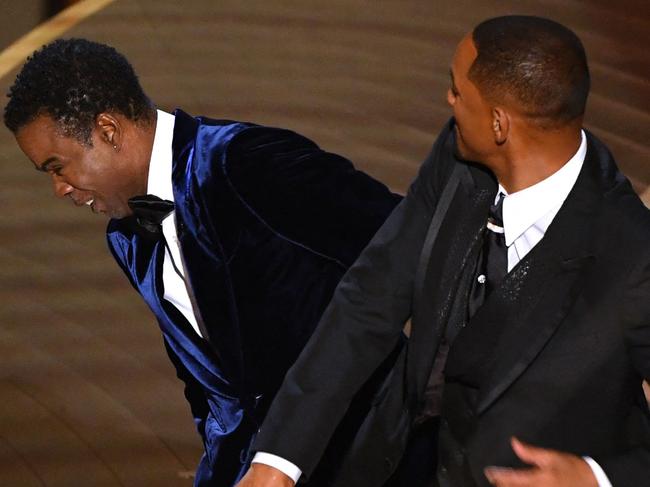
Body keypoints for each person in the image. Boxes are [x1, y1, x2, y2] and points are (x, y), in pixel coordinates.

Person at [238, 15, 650, 487]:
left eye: (457, 91)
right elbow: (368, 300)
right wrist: (278, 460)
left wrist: (598, 479)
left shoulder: (634, 255)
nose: (448, 101)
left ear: (499, 123)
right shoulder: (458, 159)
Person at [3, 38, 402, 486]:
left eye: (58, 167)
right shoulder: (127, 239)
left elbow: (406, 242)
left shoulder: (246, 162)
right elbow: (208, 387)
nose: (59, 188)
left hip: (370, 456)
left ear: (107, 130)